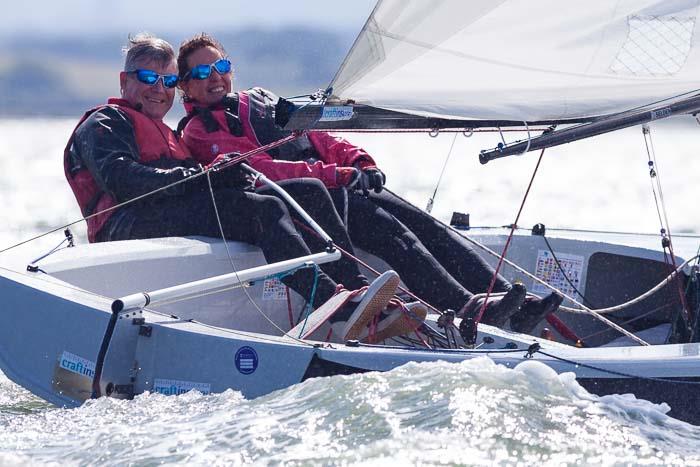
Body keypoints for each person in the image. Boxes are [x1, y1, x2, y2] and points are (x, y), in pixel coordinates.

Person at [176, 33, 563, 334]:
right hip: (313, 206)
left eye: (221, 65)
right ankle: (469, 309)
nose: (215, 77)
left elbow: (319, 135)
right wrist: (336, 174)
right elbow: (265, 169)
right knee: (399, 238)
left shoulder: (259, 99)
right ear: (185, 87)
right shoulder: (198, 131)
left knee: (427, 226)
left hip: (340, 187)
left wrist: (357, 159)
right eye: (201, 73)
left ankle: (511, 301)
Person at [63, 33, 423, 343]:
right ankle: (335, 303)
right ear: (124, 81)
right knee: (261, 210)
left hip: (170, 214)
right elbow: (124, 181)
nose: (159, 89)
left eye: (168, 81)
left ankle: (357, 292)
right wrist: (206, 177)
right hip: (128, 227)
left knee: (306, 190)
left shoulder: (167, 134)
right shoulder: (105, 122)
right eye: (148, 78)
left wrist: (222, 174)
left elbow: (194, 183)